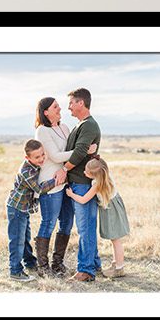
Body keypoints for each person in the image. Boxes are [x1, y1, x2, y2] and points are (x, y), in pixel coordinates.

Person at [29, 95, 95, 277]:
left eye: (59, 106)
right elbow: (57, 156)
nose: (60, 109)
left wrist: (81, 154)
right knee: (48, 223)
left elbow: (70, 153)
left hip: (66, 182)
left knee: (66, 223)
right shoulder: (42, 131)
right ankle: (43, 267)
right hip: (50, 185)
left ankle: (58, 263)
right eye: (56, 107)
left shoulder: (65, 128)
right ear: (46, 112)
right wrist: (82, 151)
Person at [6, 139, 66, 281]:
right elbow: (39, 189)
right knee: (17, 240)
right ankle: (15, 271)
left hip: (23, 208)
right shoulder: (26, 171)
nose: (41, 159)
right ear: (27, 158)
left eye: (42, 155)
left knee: (25, 237)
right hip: (16, 208)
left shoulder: (35, 165)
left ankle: (30, 262)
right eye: (37, 157)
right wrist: (57, 180)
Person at [60, 88, 104, 282]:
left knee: (85, 228)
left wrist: (63, 170)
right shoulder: (81, 125)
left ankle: (85, 270)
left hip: (83, 184)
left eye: (71, 102)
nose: (68, 106)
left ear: (81, 103)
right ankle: (94, 264)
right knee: (87, 227)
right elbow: (81, 151)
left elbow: (78, 153)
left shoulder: (89, 126)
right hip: (77, 183)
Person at [67, 157, 131, 277]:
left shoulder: (97, 185)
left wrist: (71, 194)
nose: (84, 172)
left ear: (94, 175)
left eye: (86, 172)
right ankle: (116, 263)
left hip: (111, 210)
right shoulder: (105, 175)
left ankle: (119, 268)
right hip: (114, 206)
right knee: (115, 239)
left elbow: (83, 200)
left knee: (116, 239)